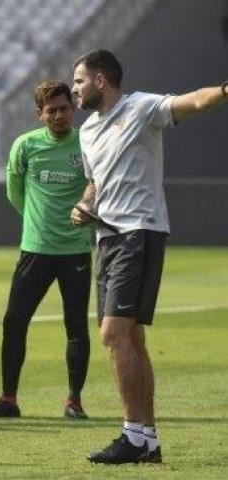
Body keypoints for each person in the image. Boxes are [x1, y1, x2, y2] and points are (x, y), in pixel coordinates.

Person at [70, 49, 228, 464]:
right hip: (106, 239)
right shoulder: (87, 131)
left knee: (112, 334)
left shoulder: (140, 107)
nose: (75, 88)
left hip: (138, 232)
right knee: (131, 337)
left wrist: (225, 89)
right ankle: (147, 440)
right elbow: (94, 184)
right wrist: (84, 205)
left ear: (101, 81)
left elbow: (191, 101)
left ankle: (133, 436)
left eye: (80, 80)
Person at [0, 81, 92, 419]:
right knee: (15, 322)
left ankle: (74, 401)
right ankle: (8, 400)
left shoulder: (86, 144)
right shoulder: (25, 146)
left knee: (76, 326)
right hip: (36, 250)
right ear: (40, 114)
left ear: (72, 109)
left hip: (75, 250)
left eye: (63, 108)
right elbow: (15, 192)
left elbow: (96, 184)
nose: (58, 115)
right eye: (51, 110)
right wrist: (37, 223)